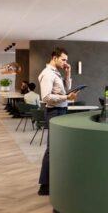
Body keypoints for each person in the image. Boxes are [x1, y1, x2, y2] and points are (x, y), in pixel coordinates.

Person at [37, 48, 77, 196]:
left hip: (61, 110)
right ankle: (44, 185)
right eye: (63, 59)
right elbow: (46, 97)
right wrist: (67, 98)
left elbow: (66, 89)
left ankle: (53, 181)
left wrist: (68, 73)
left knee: (57, 148)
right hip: (54, 112)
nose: (65, 62)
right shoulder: (47, 74)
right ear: (54, 57)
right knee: (52, 148)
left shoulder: (57, 72)